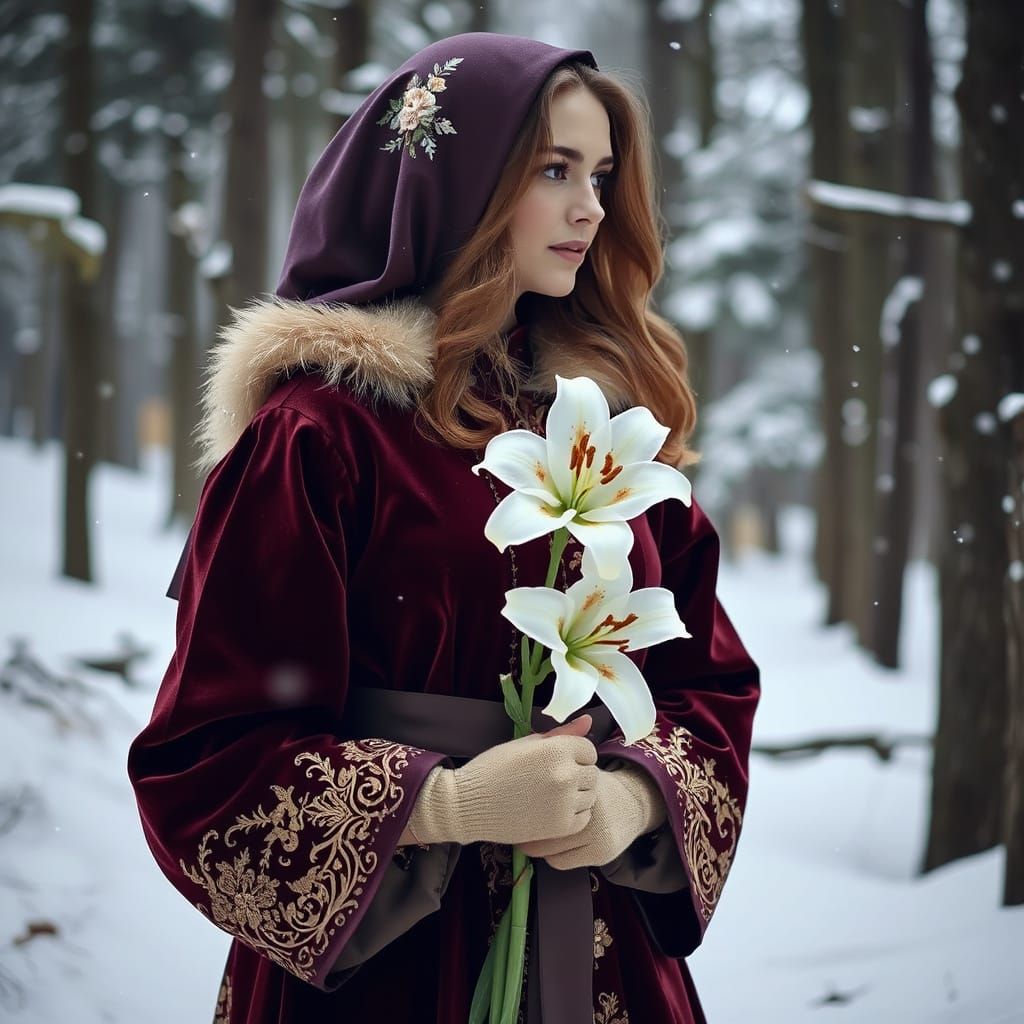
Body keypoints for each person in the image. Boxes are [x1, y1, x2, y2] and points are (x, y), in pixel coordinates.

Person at [128, 31, 760, 1024]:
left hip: (604, 953)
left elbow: (708, 680)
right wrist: (443, 805)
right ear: (454, 182)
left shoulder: (601, 426)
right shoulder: (318, 433)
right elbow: (204, 758)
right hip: (389, 965)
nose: (591, 207)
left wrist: (633, 800)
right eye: (554, 169)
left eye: (600, 175)